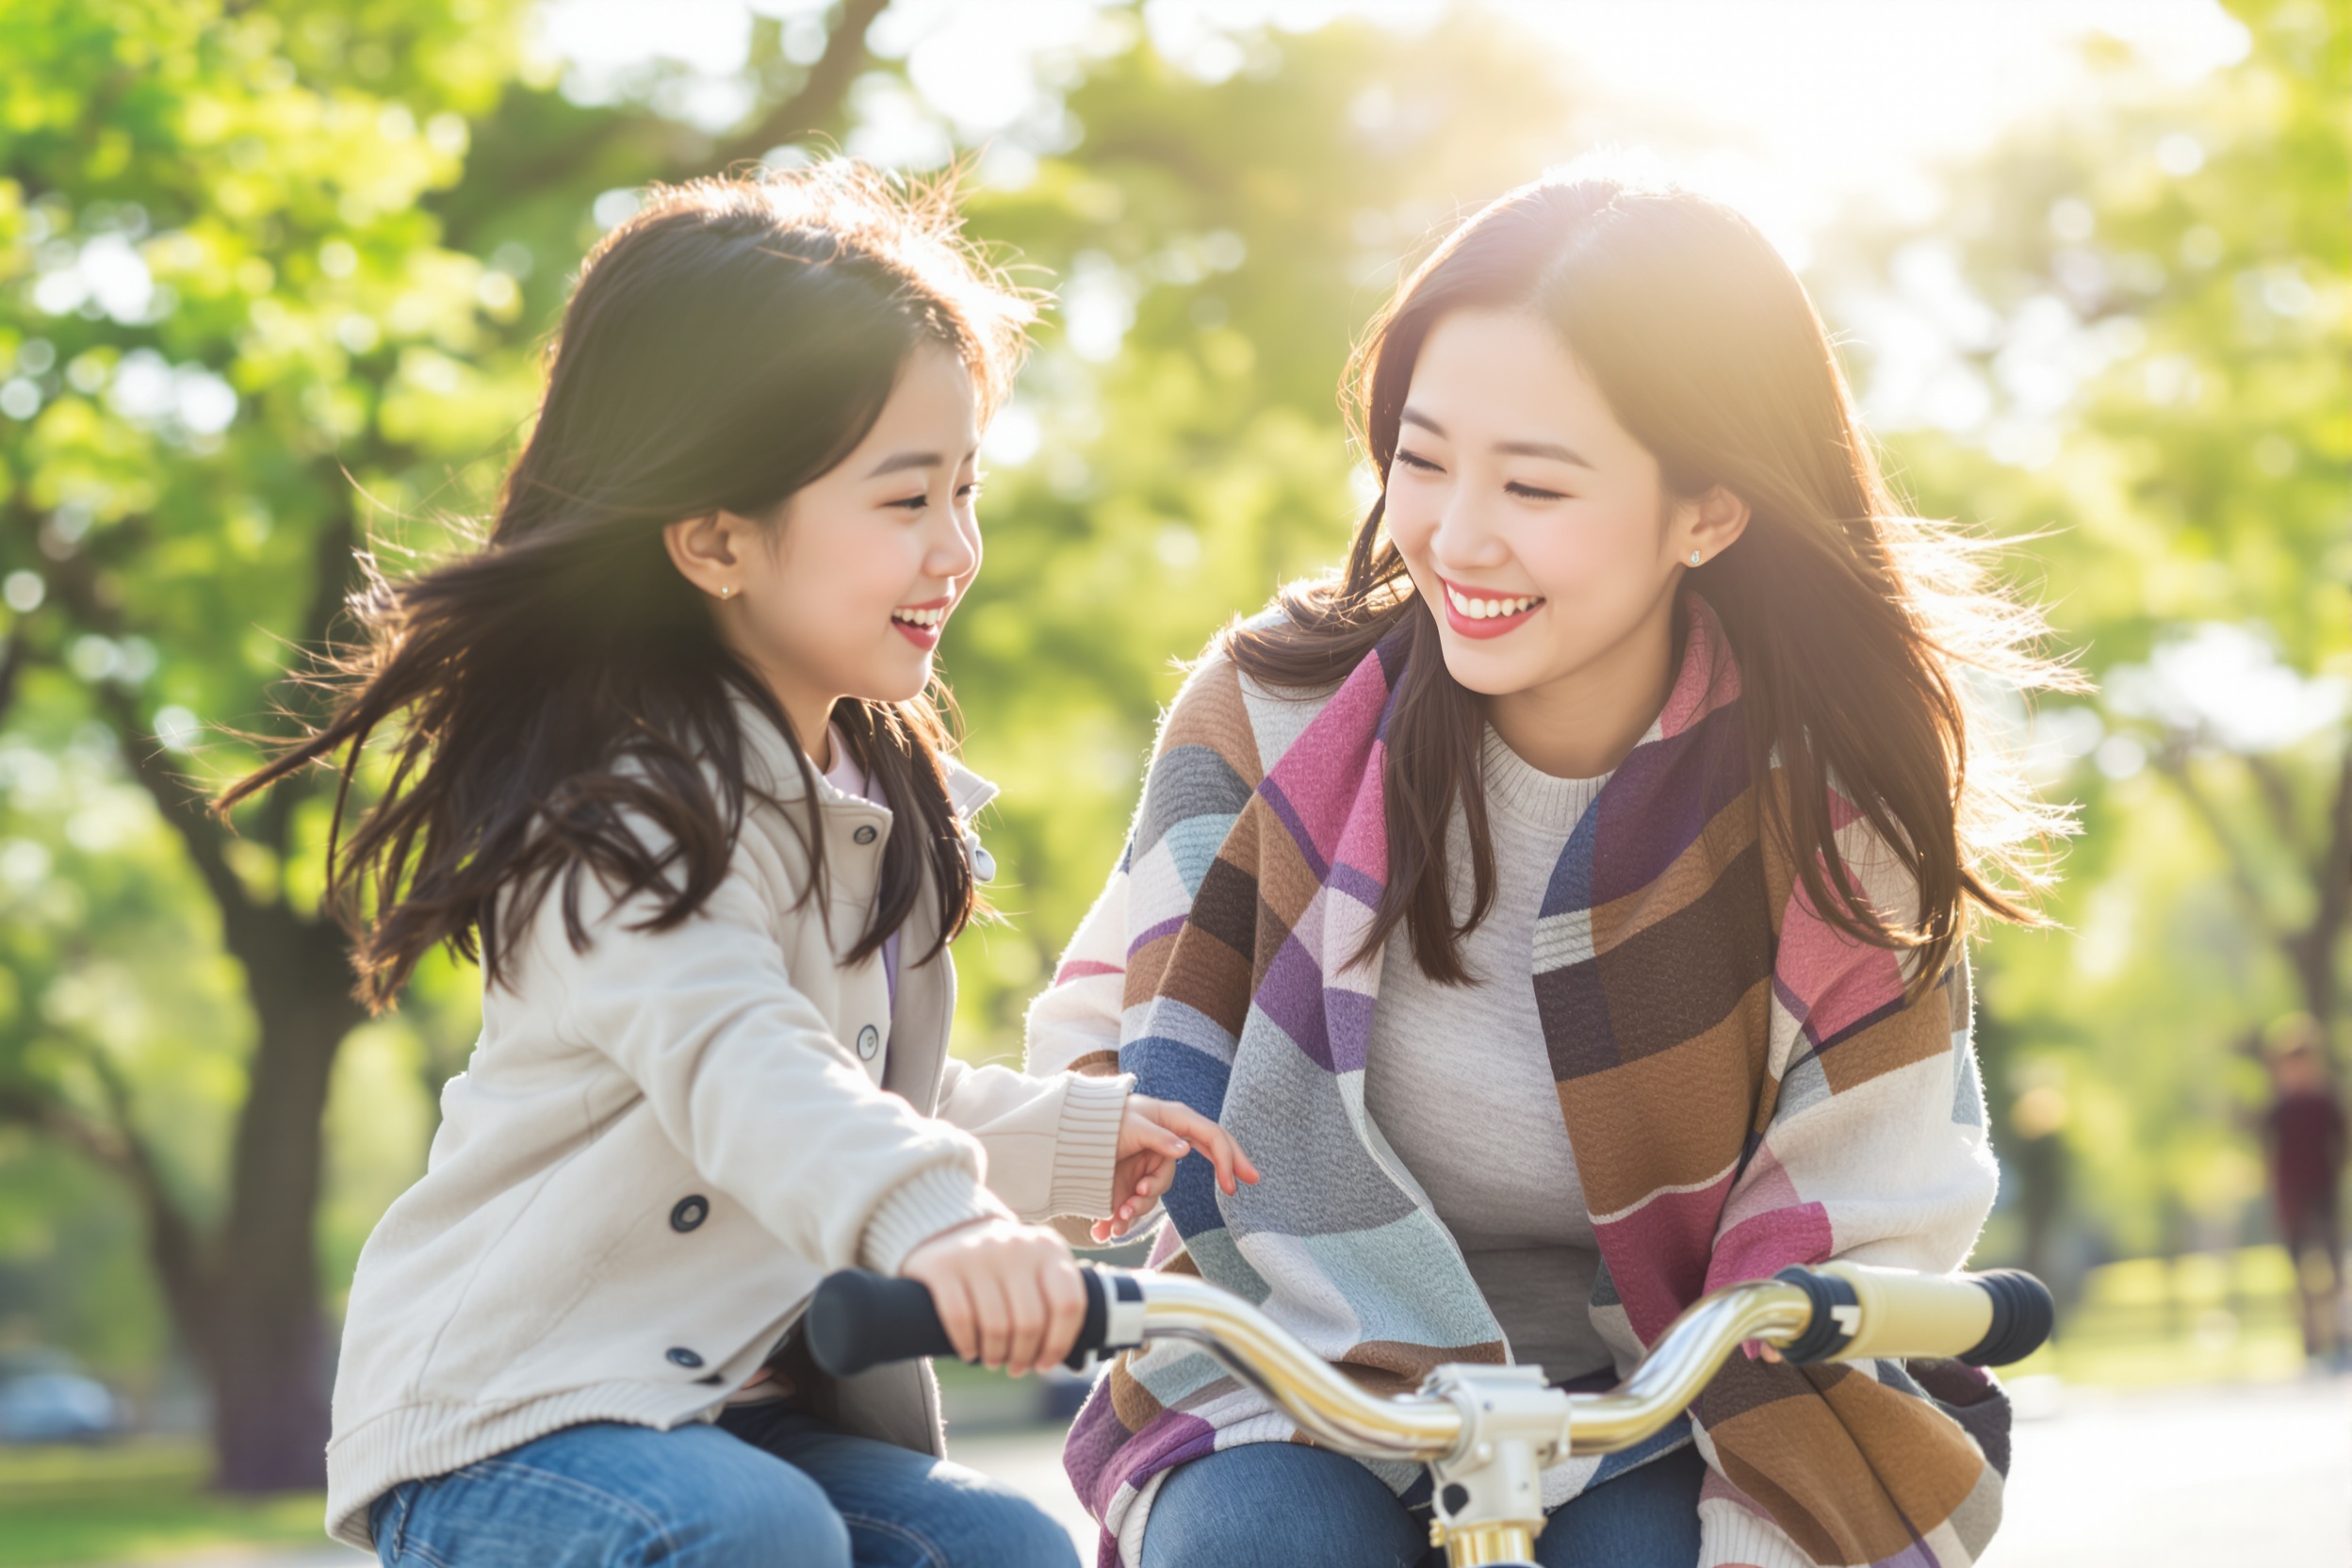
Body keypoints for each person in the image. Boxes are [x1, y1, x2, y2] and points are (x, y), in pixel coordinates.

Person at [1027, 171, 2069, 1568]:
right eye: (1423, 457)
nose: (1458, 537)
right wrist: (1064, 1162)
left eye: (1534, 483)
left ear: (1706, 513)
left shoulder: (1823, 810)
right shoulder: (1269, 713)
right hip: (1295, 1364)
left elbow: (1874, 1192)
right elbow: (1106, 1047)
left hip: (1677, 1393)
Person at [221, 166, 1254, 1568]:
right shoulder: (614, 812)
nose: (958, 549)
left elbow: (863, 1088)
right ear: (714, 537)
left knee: (1003, 1549)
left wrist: (1067, 1143)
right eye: (905, 500)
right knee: (752, 1535)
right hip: (520, 1419)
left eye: (967, 488)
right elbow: (741, 1061)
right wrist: (938, 1224)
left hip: (744, 1415)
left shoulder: (873, 784)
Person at [2263, 1018, 2346, 1365]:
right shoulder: (2278, 1109)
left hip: (2323, 1195)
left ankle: (2341, 1335)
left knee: (2334, 1271)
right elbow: (2270, 1156)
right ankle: (2310, 1341)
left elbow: (2342, 1144)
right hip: (2291, 1201)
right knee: (2300, 1276)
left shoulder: (2325, 1102)